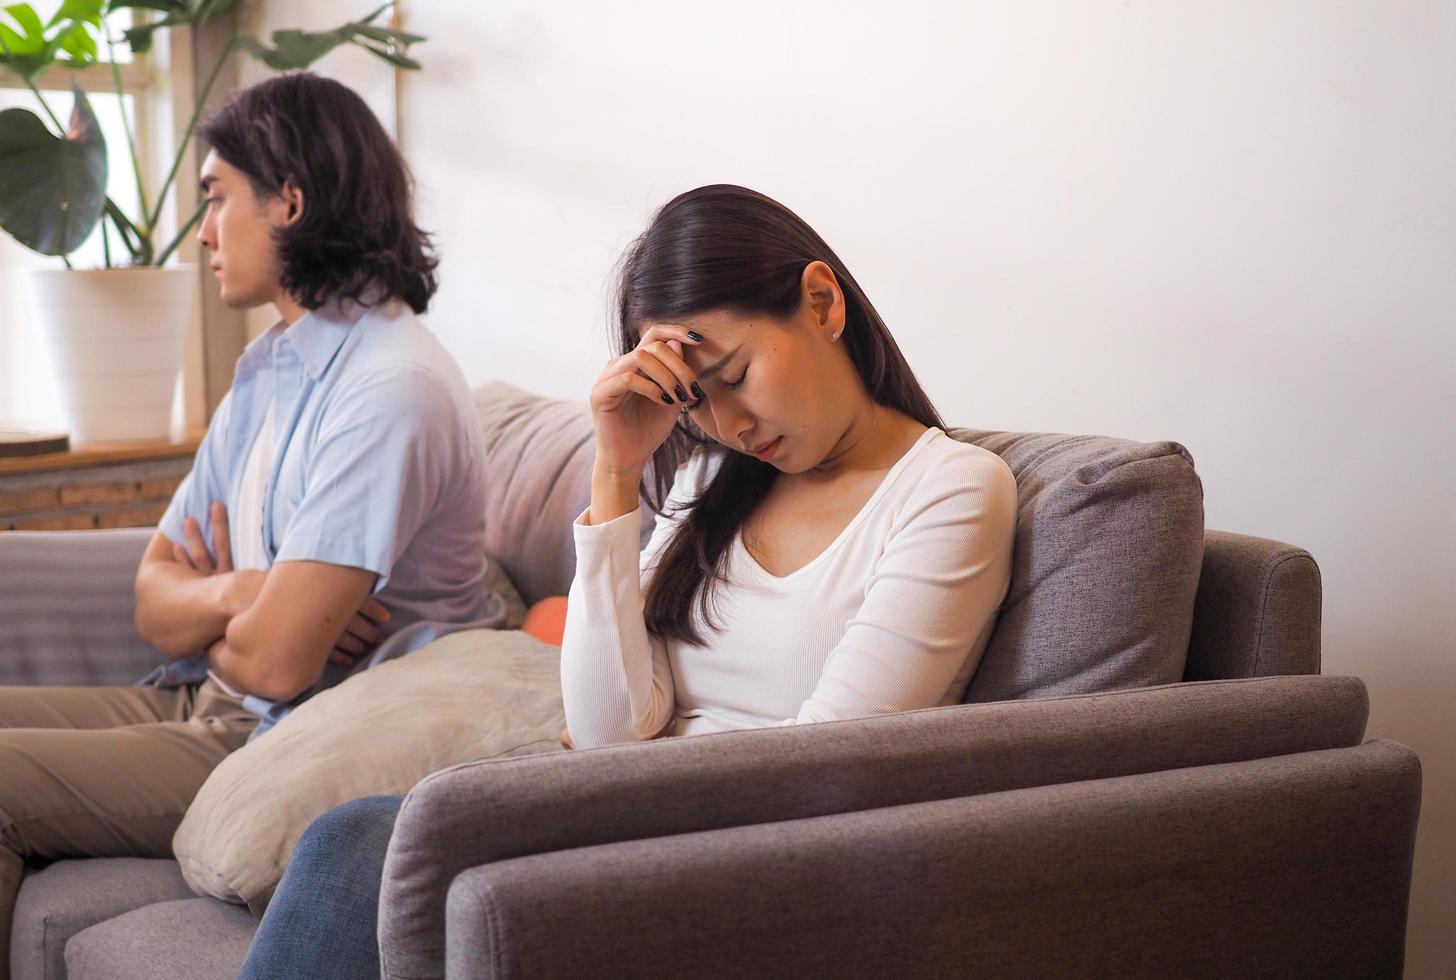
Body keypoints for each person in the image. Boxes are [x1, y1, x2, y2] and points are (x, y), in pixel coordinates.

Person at [238, 184, 1017, 979]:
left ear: (821, 302)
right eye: (696, 402)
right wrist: (616, 471)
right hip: (631, 825)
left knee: (372, 839)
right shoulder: (712, 482)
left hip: (755, 871)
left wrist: (629, 771)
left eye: (736, 373)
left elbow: (825, 775)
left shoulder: (949, 489)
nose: (730, 426)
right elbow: (608, 728)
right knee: (363, 836)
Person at [0, 73, 505, 978]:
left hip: (288, 737)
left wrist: (239, 616)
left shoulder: (389, 390)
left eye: (218, 198)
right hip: (208, 698)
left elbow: (276, 666)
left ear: (291, 202)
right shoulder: (271, 368)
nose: (202, 233)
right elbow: (153, 599)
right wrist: (245, 591)